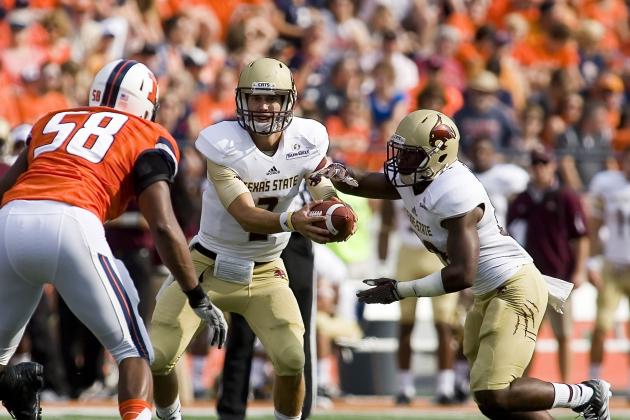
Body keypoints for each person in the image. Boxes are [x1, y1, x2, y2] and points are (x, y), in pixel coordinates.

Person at [312, 109, 611, 420]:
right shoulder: (418, 173)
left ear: (436, 157)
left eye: (410, 155)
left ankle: (587, 393)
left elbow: (461, 274)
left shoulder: (455, 193)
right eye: (399, 152)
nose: (400, 161)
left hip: (512, 287)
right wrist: (329, 170)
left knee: (496, 391)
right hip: (490, 291)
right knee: (494, 401)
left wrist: (400, 290)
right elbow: (362, 183)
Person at [0, 59, 227, 420]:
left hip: (10, 221)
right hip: (73, 221)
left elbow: (5, 188)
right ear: (144, 105)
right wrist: (195, 294)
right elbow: (164, 225)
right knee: (132, 349)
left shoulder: (52, 120)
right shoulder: (149, 134)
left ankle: (12, 385)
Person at [149, 57, 354, 420]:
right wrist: (294, 221)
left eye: (272, 98)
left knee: (293, 359)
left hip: (265, 272)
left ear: (288, 101)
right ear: (240, 100)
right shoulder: (223, 144)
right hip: (207, 265)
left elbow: (320, 180)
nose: (263, 107)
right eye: (255, 99)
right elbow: (243, 212)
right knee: (161, 356)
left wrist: (333, 206)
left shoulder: (307, 139)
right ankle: (169, 417)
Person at [216, 187, 317, 420]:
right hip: (254, 234)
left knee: (299, 330)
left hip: (295, 235)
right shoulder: (242, 153)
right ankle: (231, 411)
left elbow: (321, 181)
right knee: (242, 328)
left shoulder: (310, 152)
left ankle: (300, 410)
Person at [507, 149, 589, 383]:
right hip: (529, 277)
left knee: (563, 335)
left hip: (559, 276)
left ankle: (566, 385)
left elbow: (580, 236)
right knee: (526, 335)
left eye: (544, 163)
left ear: (552, 165)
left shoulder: (566, 197)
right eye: (535, 164)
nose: (539, 168)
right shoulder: (521, 200)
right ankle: (522, 386)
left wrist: (579, 270)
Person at [587, 147, 630, 392]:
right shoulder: (607, 184)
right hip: (613, 266)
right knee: (602, 325)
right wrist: (591, 261)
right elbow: (594, 225)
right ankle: (594, 381)